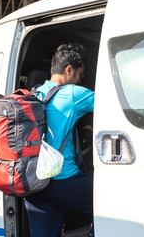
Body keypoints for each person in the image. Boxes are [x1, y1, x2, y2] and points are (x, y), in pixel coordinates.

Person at [24, 42, 95, 237]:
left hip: (35, 183)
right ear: (69, 69)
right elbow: (114, 105)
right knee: (113, 207)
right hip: (64, 180)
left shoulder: (34, 93)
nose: (80, 80)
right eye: (80, 75)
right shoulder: (72, 94)